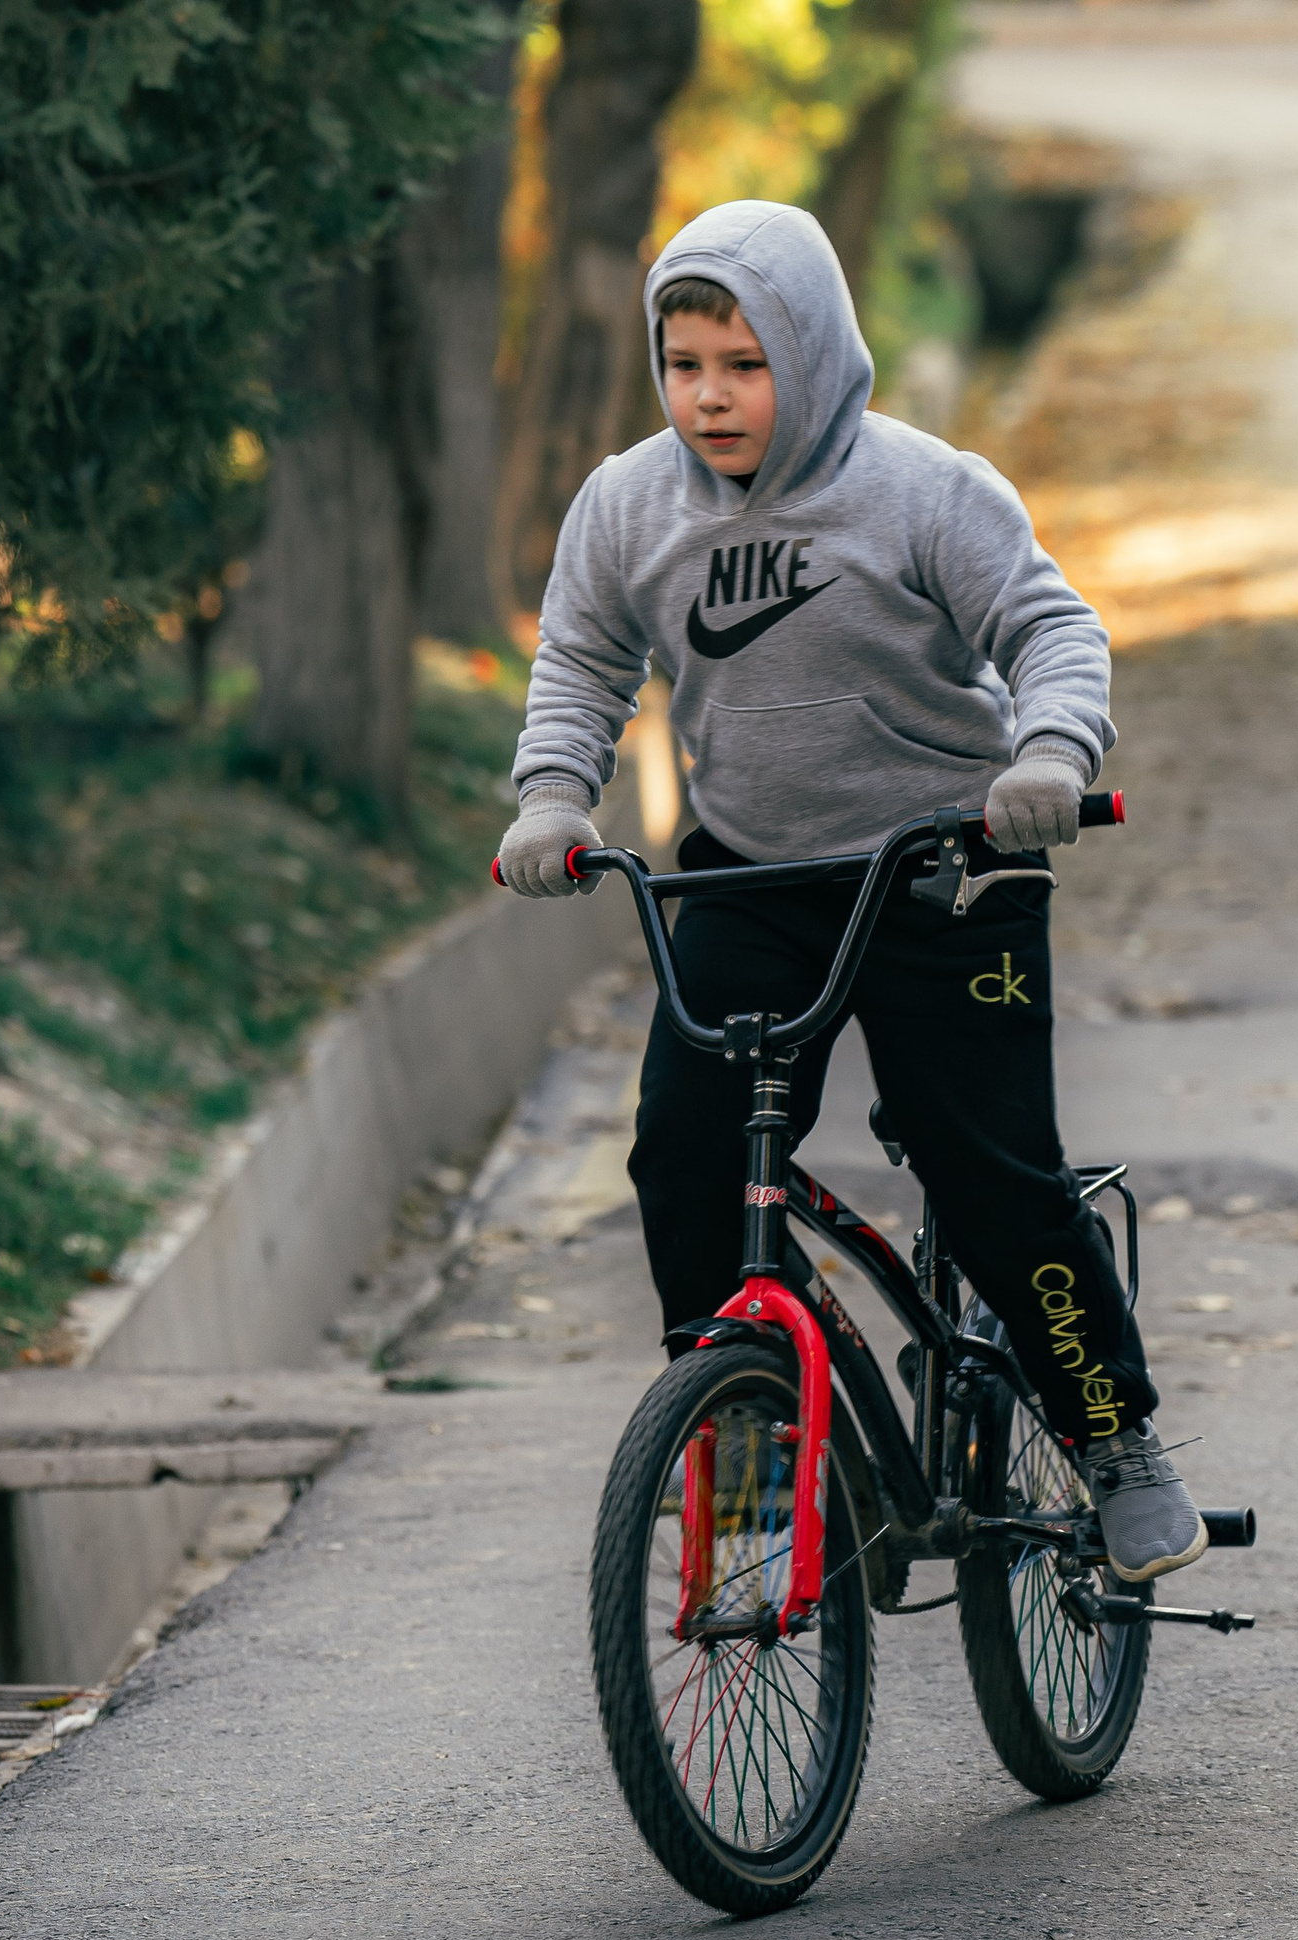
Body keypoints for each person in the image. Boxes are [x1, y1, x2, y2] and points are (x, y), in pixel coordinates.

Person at [495, 199, 1204, 1582]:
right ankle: (748, 1419)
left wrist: (1050, 753)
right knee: (685, 1148)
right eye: (687, 362)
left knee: (985, 1173)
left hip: (949, 872)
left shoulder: (926, 490)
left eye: (745, 365)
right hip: (757, 875)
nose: (710, 395)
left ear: (812, 355)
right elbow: (583, 663)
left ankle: (1114, 1435)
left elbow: (1048, 628)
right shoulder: (628, 505)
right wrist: (550, 798)